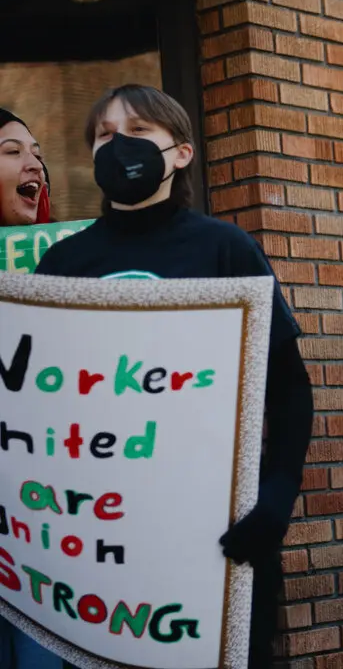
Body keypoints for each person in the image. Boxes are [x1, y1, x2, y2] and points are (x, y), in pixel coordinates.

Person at [34, 85, 314, 669]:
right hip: (100, 538)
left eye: (138, 132)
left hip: (217, 533)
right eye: (106, 135)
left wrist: (277, 498)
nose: (119, 146)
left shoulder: (225, 249)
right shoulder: (62, 265)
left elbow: (288, 387)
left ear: (181, 153)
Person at [0, 108, 61, 669]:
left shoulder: (71, 264)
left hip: (43, 532)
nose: (34, 161)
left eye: (38, 151)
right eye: (12, 150)